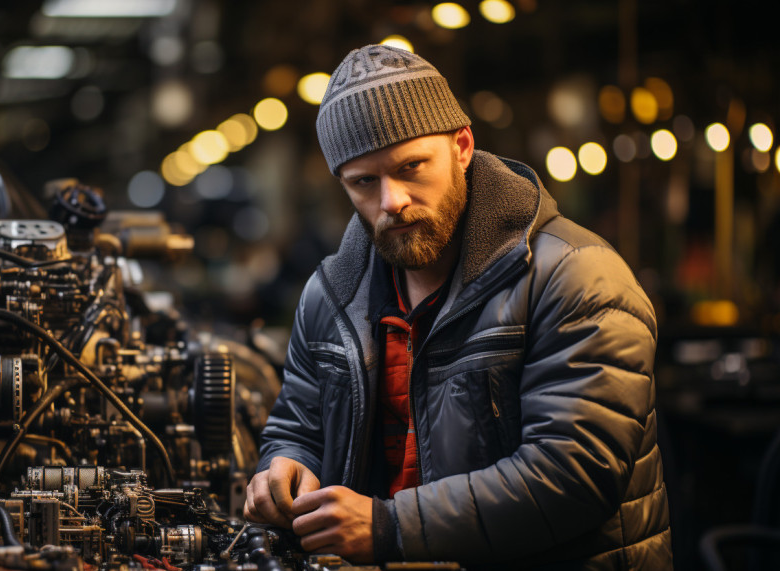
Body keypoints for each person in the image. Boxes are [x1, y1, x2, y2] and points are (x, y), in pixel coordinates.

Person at [243, 44, 672, 569]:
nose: (391, 201)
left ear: (462, 146)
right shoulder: (331, 295)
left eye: (411, 166)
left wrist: (387, 526)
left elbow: (573, 474)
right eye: (363, 182)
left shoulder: (576, 276)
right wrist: (286, 465)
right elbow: (298, 424)